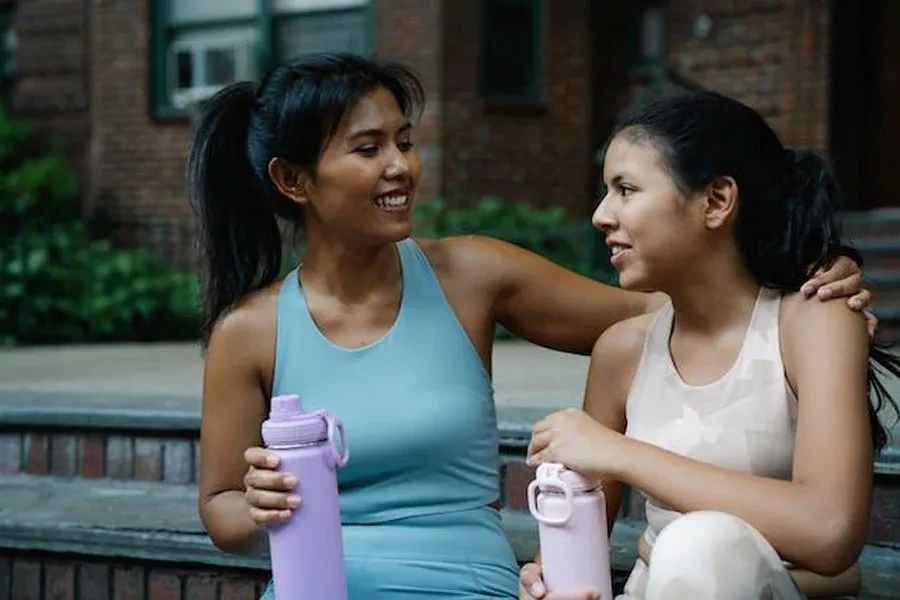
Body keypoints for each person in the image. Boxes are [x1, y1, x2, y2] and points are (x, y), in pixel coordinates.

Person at [188, 53, 872, 599]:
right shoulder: (250, 330)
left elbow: (691, 309)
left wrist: (809, 275)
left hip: (467, 584)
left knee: (704, 554)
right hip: (319, 585)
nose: (401, 166)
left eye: (403, 141)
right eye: (368, 149)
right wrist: (262, 506)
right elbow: (221, 509)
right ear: (293, 179)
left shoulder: (473, 276)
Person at [520, 91, 900, 600]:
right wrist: (548, 580)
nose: (601, 216)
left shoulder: (812, 321)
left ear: (717, 200)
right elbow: (578, 540)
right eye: (606, 191)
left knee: (701, 546)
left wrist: (620, 453)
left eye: (626, 189)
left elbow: (830, 531)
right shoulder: (622, 350)